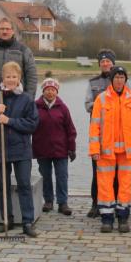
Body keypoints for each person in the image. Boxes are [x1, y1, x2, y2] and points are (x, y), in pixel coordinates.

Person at [0, 61, 39, 238]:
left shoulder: (27, 99)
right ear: (3, 78)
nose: (11, 80)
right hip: (0, 149)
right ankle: (7, 219)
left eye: (14, 77)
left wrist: (10, 121)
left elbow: (33, 124)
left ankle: (27, 222)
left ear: (19, 78)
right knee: (3, 187)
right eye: (8, 77)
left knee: (24, 185)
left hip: (21, 150)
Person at [0, 17, 38, 180]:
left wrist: (29, 99)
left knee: (20, 135)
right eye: (1, 28)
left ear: (13, 31)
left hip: (19, 101)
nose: (4, 31)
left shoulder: (23, 50)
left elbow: (31, 75)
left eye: (7, 28)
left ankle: (23, 170)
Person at [90, 66, 131, 233]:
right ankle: (107, 219)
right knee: (105, 185)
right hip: (105, 151)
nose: (119, 80)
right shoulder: (101, 99)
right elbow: (95, 126)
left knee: (125, 185)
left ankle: (123, 217)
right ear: (111, 79)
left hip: (128, 152)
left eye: (122, 77)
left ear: (126, 80)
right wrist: (94, 149)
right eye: (116, 77)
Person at [33, 74, 77, 216]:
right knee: (45, 176)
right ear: (43, 91)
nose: (50, 92)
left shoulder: (63, 108)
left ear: (57, 92)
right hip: (42, 149)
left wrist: (72, 148)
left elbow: (71, 129)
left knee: (62, 176)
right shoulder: (35, 106)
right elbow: (29, 126)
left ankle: (63, 203)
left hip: (61, 150)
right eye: (47, 89)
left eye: (53, 89)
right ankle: (48, 201)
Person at [84, 49, 117, 217]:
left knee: (117, 171)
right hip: (98, 132)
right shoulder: (92, 83)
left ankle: (116, 202)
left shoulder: (121, 80)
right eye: (102, 62)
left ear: (113, 63)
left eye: (108, 61)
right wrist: (103, 104)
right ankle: (95, 203)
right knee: (97, 170)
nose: (105, 64)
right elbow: (88, 105)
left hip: (117, 133)